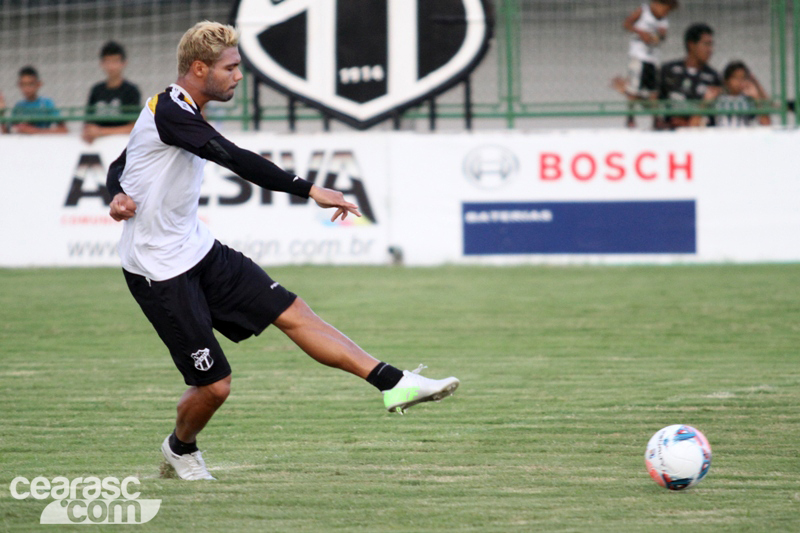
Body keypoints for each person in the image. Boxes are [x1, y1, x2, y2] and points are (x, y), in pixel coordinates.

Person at [106, 21, 459, 481]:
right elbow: (231, 157)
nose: (238, 76)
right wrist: (311, 189)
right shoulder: (170, 110)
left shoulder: (176, 111)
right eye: (230, 68)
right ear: (198, 67)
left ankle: (395, 383)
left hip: (199, 249)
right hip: (157, 270)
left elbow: (120, 164)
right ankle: (180, 448)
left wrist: (116, 192)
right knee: (215, 387)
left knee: (294, 312)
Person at [613, 0, 679, 128]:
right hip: (638, 56)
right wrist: (640, 33)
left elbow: (662, 37)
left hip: (653, 59)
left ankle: (656, 119)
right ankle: (630, 117)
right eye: (665, 8)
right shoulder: (643, 11)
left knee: (653, 91)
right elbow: (627, 24)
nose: (665, 12)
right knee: (634, 88)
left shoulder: (664, 20)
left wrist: (658, 36)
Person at [658, 23, 722, 129]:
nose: (710, 50)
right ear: (691, 45)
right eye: (706, 44)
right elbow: (655, 102)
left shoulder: (713, 77)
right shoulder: (668, 70)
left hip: (700, 137)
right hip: (670, 137)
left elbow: (715, 114)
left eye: (711, 45)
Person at [82, 41, 141, 143]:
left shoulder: (131, 91)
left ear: (124, 63)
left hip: (123, 145)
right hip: (99, 146)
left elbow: (134, 127)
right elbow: (88, 122)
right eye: (107, 62)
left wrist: (101, 132)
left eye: (115, 61)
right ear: (102, 64)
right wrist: (90, 132)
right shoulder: (96, 90)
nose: (111, 66)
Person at [701, 61, 771, 128]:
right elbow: (696, 125)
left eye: (743, 78)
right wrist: (705, 102)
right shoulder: (717, 99)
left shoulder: (748, 100)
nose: (739, 81)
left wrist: (756, 98)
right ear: (726, 80)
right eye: (735, 77)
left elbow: (766, 125)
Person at [0, 66, 68, 135]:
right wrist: (1, 114)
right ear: (19, 85)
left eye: (30, 84)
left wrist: (34, 131)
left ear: (39, 84)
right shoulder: (18, 106)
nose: (26, 88)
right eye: (23, 84)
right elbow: (7, 133)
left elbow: (64, 130)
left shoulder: (46, 103)